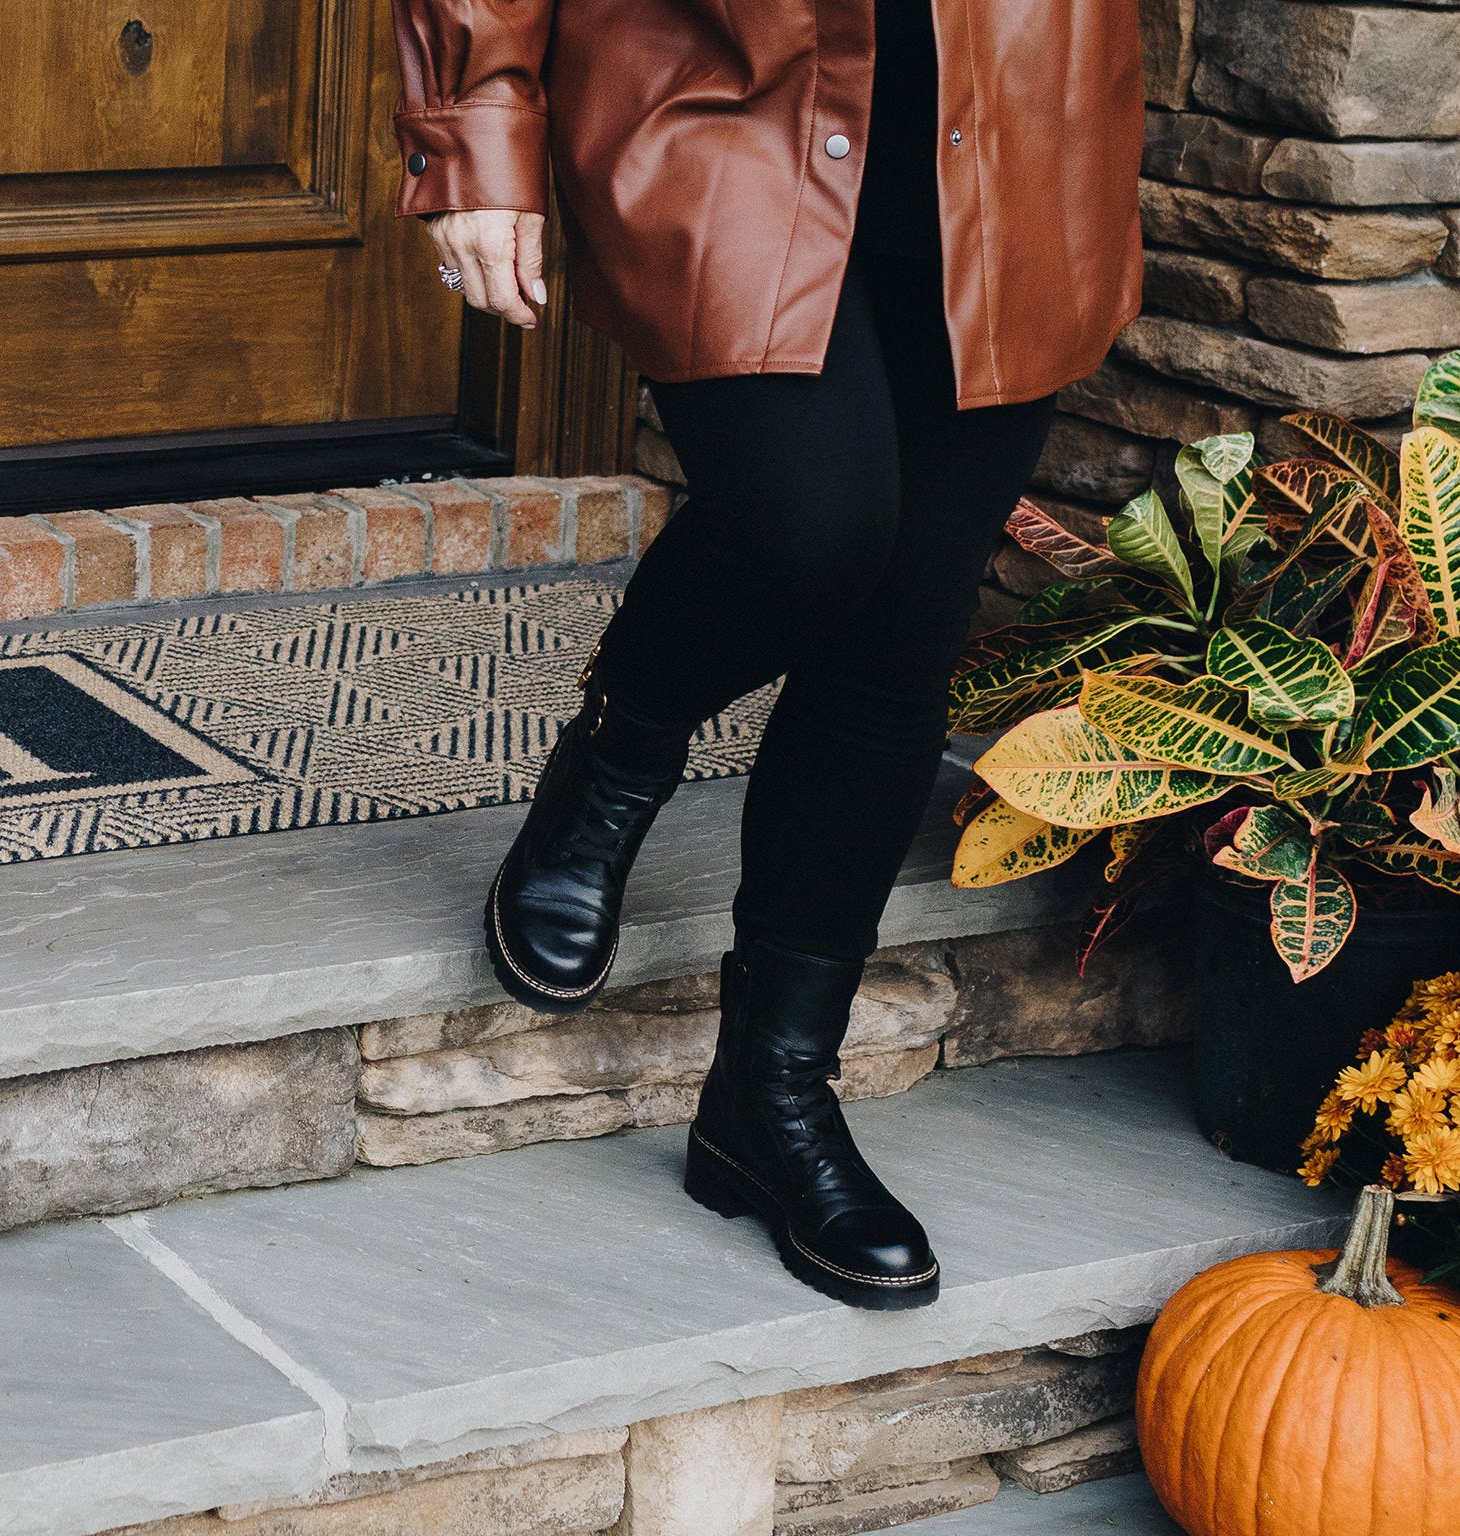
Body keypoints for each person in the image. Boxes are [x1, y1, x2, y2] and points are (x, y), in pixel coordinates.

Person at [394, 0, 1142, 1308]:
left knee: (907, 629)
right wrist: (476, 136)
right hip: (722, 91)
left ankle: (770, 1102)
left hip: (1020, 107)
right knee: (812, 526)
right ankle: (621, 750)